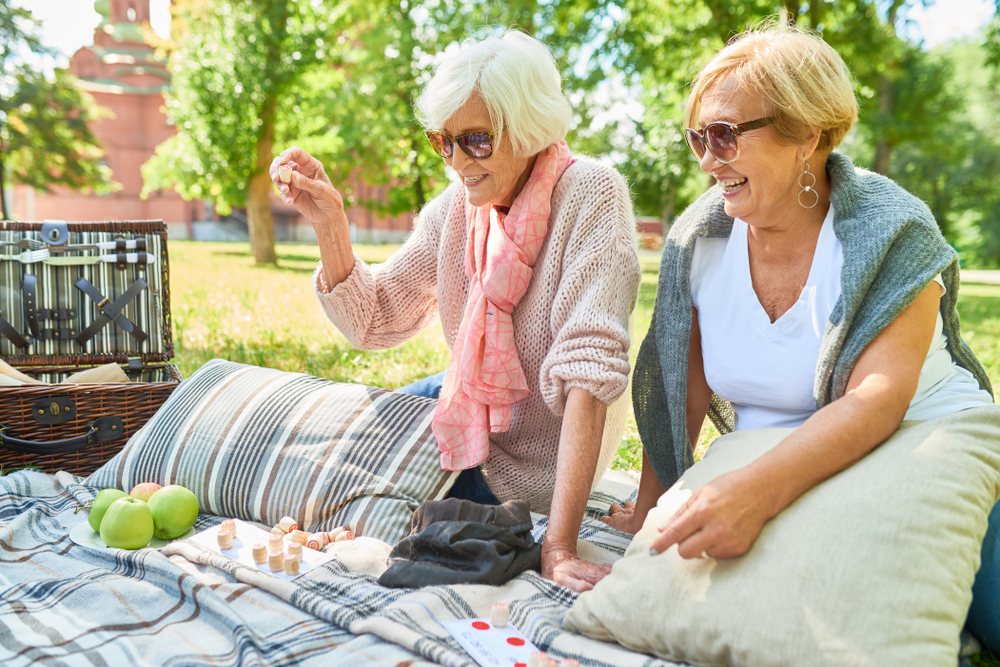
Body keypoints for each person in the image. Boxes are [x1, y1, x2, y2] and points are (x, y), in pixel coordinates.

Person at [603, 24, 999, 643]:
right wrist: (650, 505)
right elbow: (681, 393)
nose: (709, 159)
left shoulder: (889, 230)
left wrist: (755, 492)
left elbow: (877, 401)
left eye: (727, 135)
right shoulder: (697, 242)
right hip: (782, 466)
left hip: (922, 446)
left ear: (806, 136)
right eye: (698, 137)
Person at [271, 30, 641, 592]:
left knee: (365, 497)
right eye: (443, 142)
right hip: (470, 412)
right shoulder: (454, 210)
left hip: (538, 461)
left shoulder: (592, 195)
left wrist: (558, 548)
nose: (458, 160)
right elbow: (376, 321)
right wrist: (330, 226)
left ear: (528, 128)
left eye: (477, 139)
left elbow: (589, 375)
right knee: (330, 436)